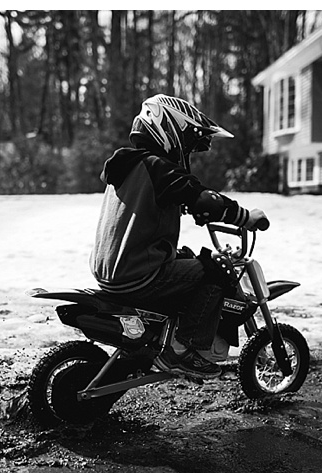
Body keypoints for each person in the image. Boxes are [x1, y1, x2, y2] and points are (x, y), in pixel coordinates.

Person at [89, 94, 268, 380]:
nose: (189, 153)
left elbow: (166, 200)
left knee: (187, 259)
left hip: (111, 270)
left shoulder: (130, 166)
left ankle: (164, 336)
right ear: (171, 129)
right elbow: (204, 199)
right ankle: (182, 351)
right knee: (215, 271)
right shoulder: (158, 166)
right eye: (189, 143)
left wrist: (191, 206)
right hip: (139, 271)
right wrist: (245, 217)